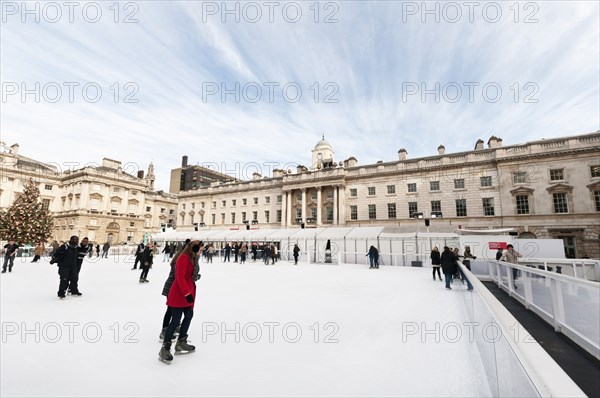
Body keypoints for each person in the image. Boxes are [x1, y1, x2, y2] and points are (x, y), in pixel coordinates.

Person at [159, 240, 201, 363]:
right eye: (200, 249)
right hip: (179, 292)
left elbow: (190, 275)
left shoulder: (193, 259)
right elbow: (180, 277)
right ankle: (165, 348)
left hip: (189, 290)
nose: (201, 251)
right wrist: (187, 293)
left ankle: (181, 342)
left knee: (189, 315)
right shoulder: (183, 257)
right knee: (176, 319)